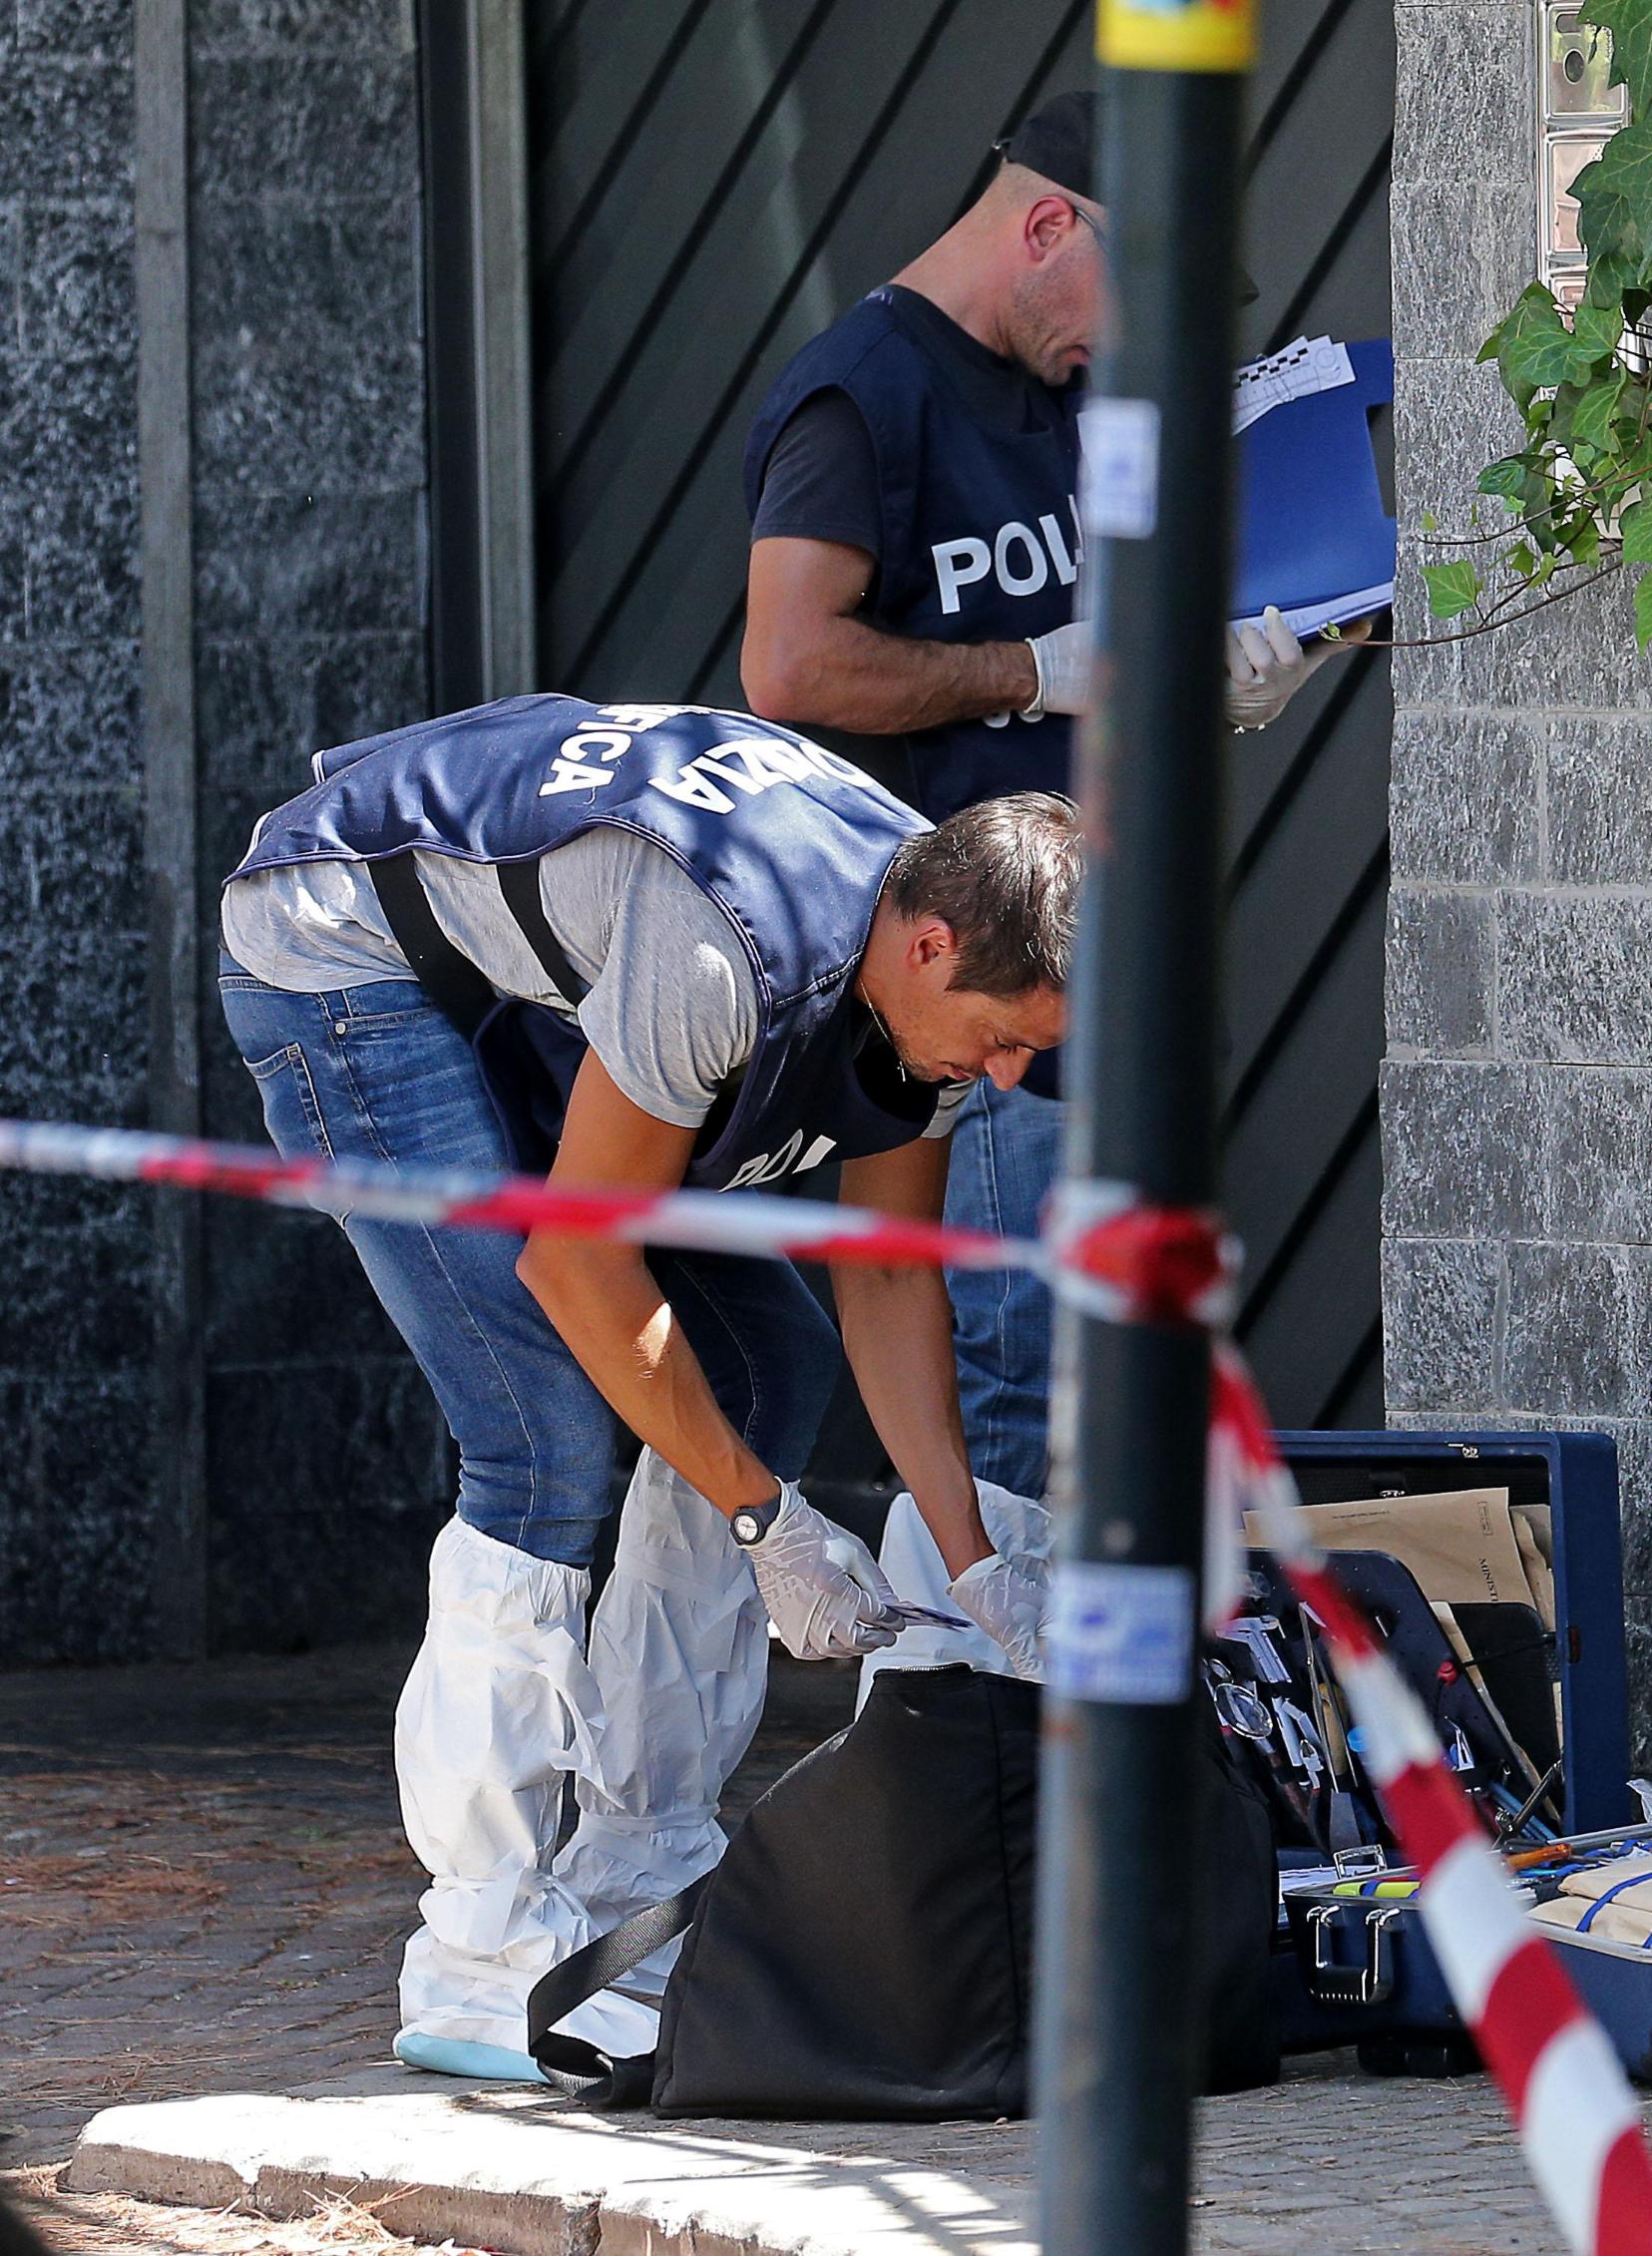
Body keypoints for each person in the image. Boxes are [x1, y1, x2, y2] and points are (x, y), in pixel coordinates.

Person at [215, 692, 1079, 2082]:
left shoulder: (932, 945)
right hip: (342, 951)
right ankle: (482, 1954)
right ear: (930, 946)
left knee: (771, 1361)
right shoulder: (725, 948)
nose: (1011, 1074)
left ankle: (639, 1874)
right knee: (541, 1432)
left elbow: (885, 1276)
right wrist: (768, 1525)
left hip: (523, 975)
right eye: (1003, 1038)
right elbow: (576, 1266)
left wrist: (973, 1564)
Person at [738, 89, 1342, 1506]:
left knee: (1125, 1375)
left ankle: (1063, 1639)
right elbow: (789, 664)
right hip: (979, 980)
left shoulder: (1081, 396)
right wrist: (1030, 672)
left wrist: (1221, 672)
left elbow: (1118, 639)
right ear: (1050, 224)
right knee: (1019, 1370)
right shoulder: (863, 395)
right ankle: (996, 1649)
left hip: (1121, 974)